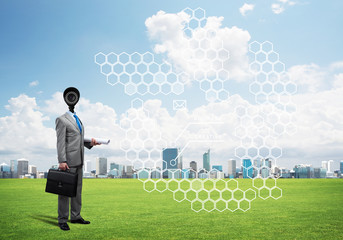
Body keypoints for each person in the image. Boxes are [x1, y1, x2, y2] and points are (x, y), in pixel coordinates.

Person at [56, 87, 100, 231]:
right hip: (68, 161)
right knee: (64, 192)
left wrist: (90, 143)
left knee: (77, 191)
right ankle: (62, 219)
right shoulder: (62, 120)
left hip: (79, 160)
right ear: (66, 99)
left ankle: (75, 216)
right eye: (70, 96)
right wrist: (62, 160)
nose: (72, 99)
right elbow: (61, 142)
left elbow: (77, 139)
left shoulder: (78, 119)